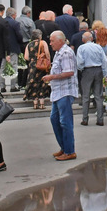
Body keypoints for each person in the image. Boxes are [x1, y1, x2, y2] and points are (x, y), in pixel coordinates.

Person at [43, 31, 79, 160]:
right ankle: (65, 148)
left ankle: (69, 151)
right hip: (58, 92)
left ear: (60, 41)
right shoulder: (59, 53)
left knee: (65, 122)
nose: (50, 43)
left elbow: (69, 72)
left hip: (65, 91)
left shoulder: (66, 53)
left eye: (52, 41)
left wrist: (51, 77)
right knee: (55, 119)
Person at [76, 31, 107, 126]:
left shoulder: (81, 48)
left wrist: (81, 69)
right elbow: (104, 61)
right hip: (98, 70)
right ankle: (100, 119)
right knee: (98, 96)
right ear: (92, 38)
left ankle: (85, 119)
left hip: (87, 71)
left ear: (83, 39)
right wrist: (106, 74)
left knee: (86, 96)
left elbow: (80, 62)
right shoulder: (98, 47)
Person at [23, 29, 51, 110]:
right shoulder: (43, 42)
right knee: (43, 83)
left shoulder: (29, 44)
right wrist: (48, 61)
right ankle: (42, 104)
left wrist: (33, 59)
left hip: (32, 66)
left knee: (34, 82)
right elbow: (47, 53)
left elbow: (26, 57)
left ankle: (35, 104)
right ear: (40, 36)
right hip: (42, 65)